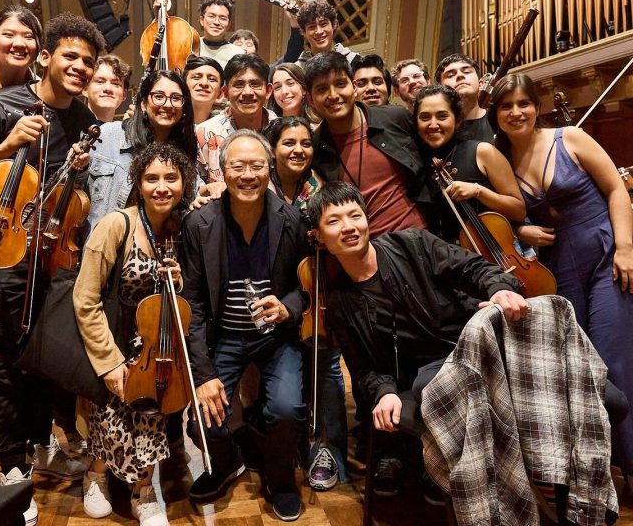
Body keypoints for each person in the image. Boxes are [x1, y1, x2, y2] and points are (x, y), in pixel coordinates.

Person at [0, 13, 105, 526]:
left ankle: (42, 445)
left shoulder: (83, 119)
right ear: (46, 57)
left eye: (88, 61)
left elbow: (74, 198)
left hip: (52, 255)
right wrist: (8, 145)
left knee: (46, 355)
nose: (79, 67)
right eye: (70, 56)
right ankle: (13, 468)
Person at [307, 181, 526, 497]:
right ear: (319, 238)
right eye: (334, 221)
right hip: (417, 380)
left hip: (466, 349)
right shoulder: (341, 303)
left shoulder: (413, 245)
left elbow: (473, 268)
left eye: (355, 215)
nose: (348, 227)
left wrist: (499, 288)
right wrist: (384, 392)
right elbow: (364, 369)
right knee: (425, 385)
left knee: (430, 384)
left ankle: (453, 469)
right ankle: (459, 472)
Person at [489, 73, 633, 475]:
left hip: (606, 252)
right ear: (495, 113)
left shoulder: (570, 137)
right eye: (506, 106)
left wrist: (625, 247)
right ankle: (599, 468)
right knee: (580, 367)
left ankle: (632, 464)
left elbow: (616, 190)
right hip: (560, 267)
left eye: (524, 104)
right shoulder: (501, 159)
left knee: (615, 361)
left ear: (537, 106)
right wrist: (521, 229)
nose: (517, 112)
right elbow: (508, 216)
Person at [181, 130, 309, 521]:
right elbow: (195, 304)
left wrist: (288, 307)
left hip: (277, 337)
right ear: (222, 172)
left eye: (257, 166)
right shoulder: (199, 224)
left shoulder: (292, 220)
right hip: (227, 337)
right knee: (204, 421)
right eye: (238, 166)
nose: (248, 174)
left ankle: (280, 479)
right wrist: (202, 374)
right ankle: (226, 463)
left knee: (287, 409)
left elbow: (310, 285)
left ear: (270, 170)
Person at [74, 142, 195, 525]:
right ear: (138, 183)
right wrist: (108, 363)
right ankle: (95, 476)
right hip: (113, 342)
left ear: (184, 183)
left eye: (171, 178)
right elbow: (85, 298)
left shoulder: (183, 229)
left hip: (158, 349)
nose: (162, 187)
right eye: (152, 178)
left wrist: (181, 282)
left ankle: (144, 491)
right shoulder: (117, 225)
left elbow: (196, 297)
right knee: (107, 418)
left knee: (151, 418)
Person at [265, 116, 346, 491]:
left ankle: (328, 447)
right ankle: (288, 443)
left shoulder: (323, 191)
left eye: (305, 143)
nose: (298, 150)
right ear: (273, 149)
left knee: (326, 364)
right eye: (288, 142)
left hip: (316, 293)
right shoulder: (256, 186)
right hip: (272, 296)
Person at [305, 51, 427, 237]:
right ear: (311, 100)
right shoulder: (314, 146)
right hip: (365, 252)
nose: (333, 95)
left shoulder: (395, 118)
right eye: (321, 89)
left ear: (353, 87)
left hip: (420, 239)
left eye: (340, 84)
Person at [86, 69, 198, 233]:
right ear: (143, 103)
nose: (167, 105)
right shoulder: (108, 135)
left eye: (176, 98)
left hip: (156, 248)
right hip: (105, 246)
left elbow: (195, 190)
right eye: (159, 96)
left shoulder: (185, 148)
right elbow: (76, 191)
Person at [412, 84, 525, 243]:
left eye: (442, 116)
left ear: (457, 121)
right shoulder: (417, 165)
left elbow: (519, 210)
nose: (433, 124)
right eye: (424, 117)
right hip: (448, 258)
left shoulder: (482, 152)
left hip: (494, 253)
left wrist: (478, 191)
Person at [195, 53, 277, 183]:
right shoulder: (204, 134)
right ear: (226, 92)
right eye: (239, 85)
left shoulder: (282, 131)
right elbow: (194, 184)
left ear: (268, 91)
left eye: (255, 84)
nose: (247, 92)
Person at [434, 53, 494, 142]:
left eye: (466, 72)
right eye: (450, 75)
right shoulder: (436, 128)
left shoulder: (497, 119)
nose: (460, 75)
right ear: (440, 90)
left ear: (481, 84)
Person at [295, 0, 357, 70]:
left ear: (334, 25)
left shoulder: (354, 62)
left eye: (323, 24)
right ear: (303, 32)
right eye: (312, 27)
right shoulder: (297, 71)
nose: (319, 31)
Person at [197, 0, 244, 69]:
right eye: (211, 16)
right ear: (202, 20)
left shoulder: (238, 54)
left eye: (222, 18)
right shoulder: (190, 46)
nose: (216, 22)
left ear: (229, 25)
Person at [84, 54, 131, 123]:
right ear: (85, 89)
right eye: (100, 82)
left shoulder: (123, 132)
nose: (108, 88)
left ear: (124, 94)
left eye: (115, 83)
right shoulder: (69, 127)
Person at [182, 55, 224, 125]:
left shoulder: (225, 125)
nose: (204, 83)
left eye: (212, 79)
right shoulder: (170, 123)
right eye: (196, 77)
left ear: (220, 93)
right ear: (183, 85)